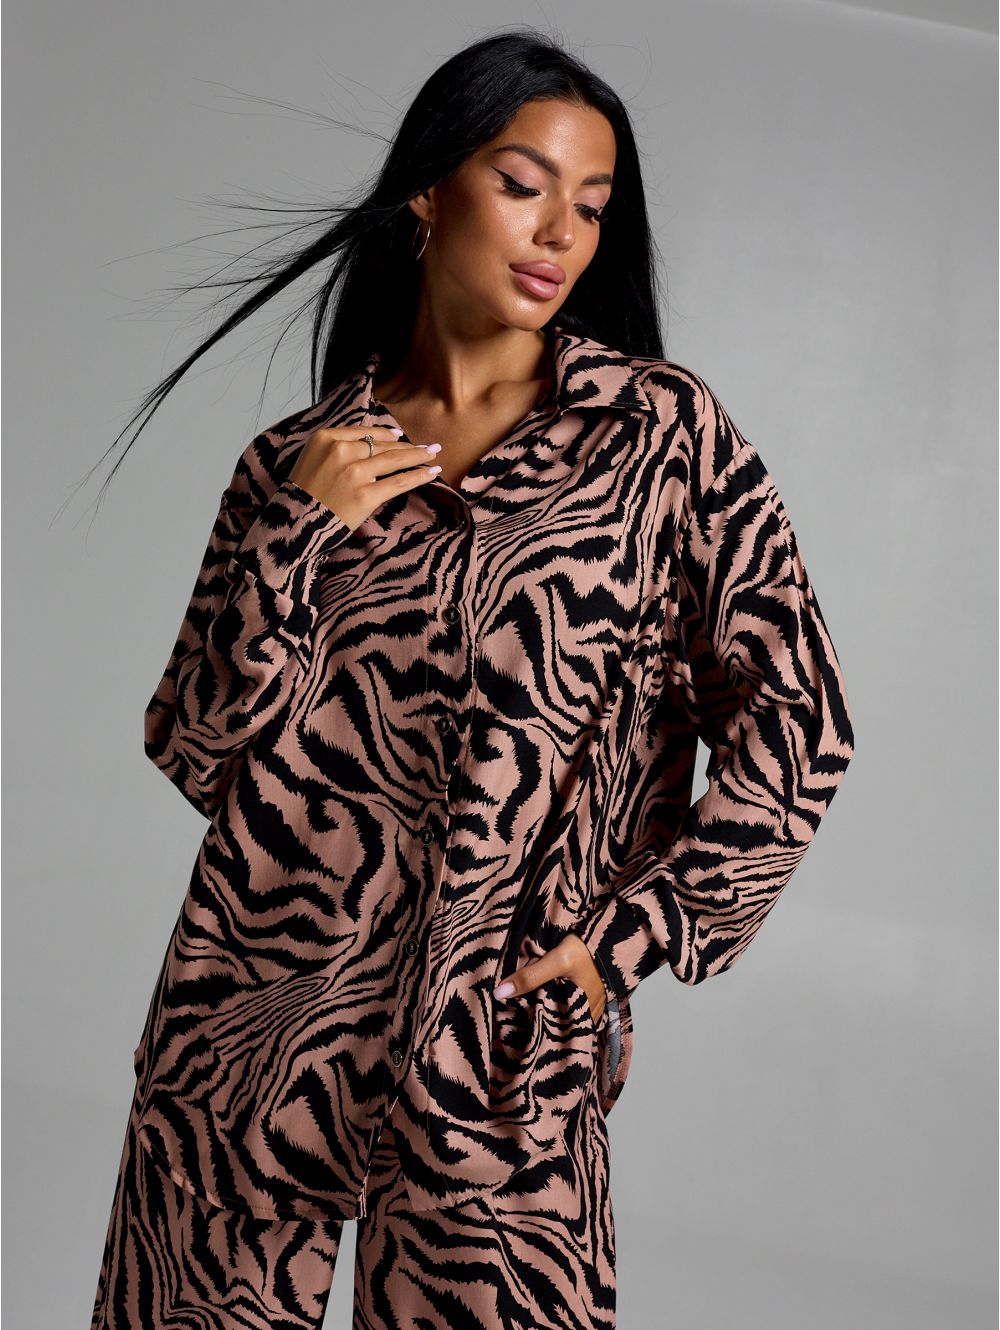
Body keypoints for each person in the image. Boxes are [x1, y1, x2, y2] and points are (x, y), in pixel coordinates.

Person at [90, 29, 855, 1330]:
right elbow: (197, 748)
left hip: (499, 1056)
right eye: (523, 184)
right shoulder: (298, 460)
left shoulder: (659, 440)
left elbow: (801, 721)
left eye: (592, 207)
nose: (561, 232)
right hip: (246, 1045)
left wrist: (634, 933)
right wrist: (293, 533)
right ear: (428, 194)